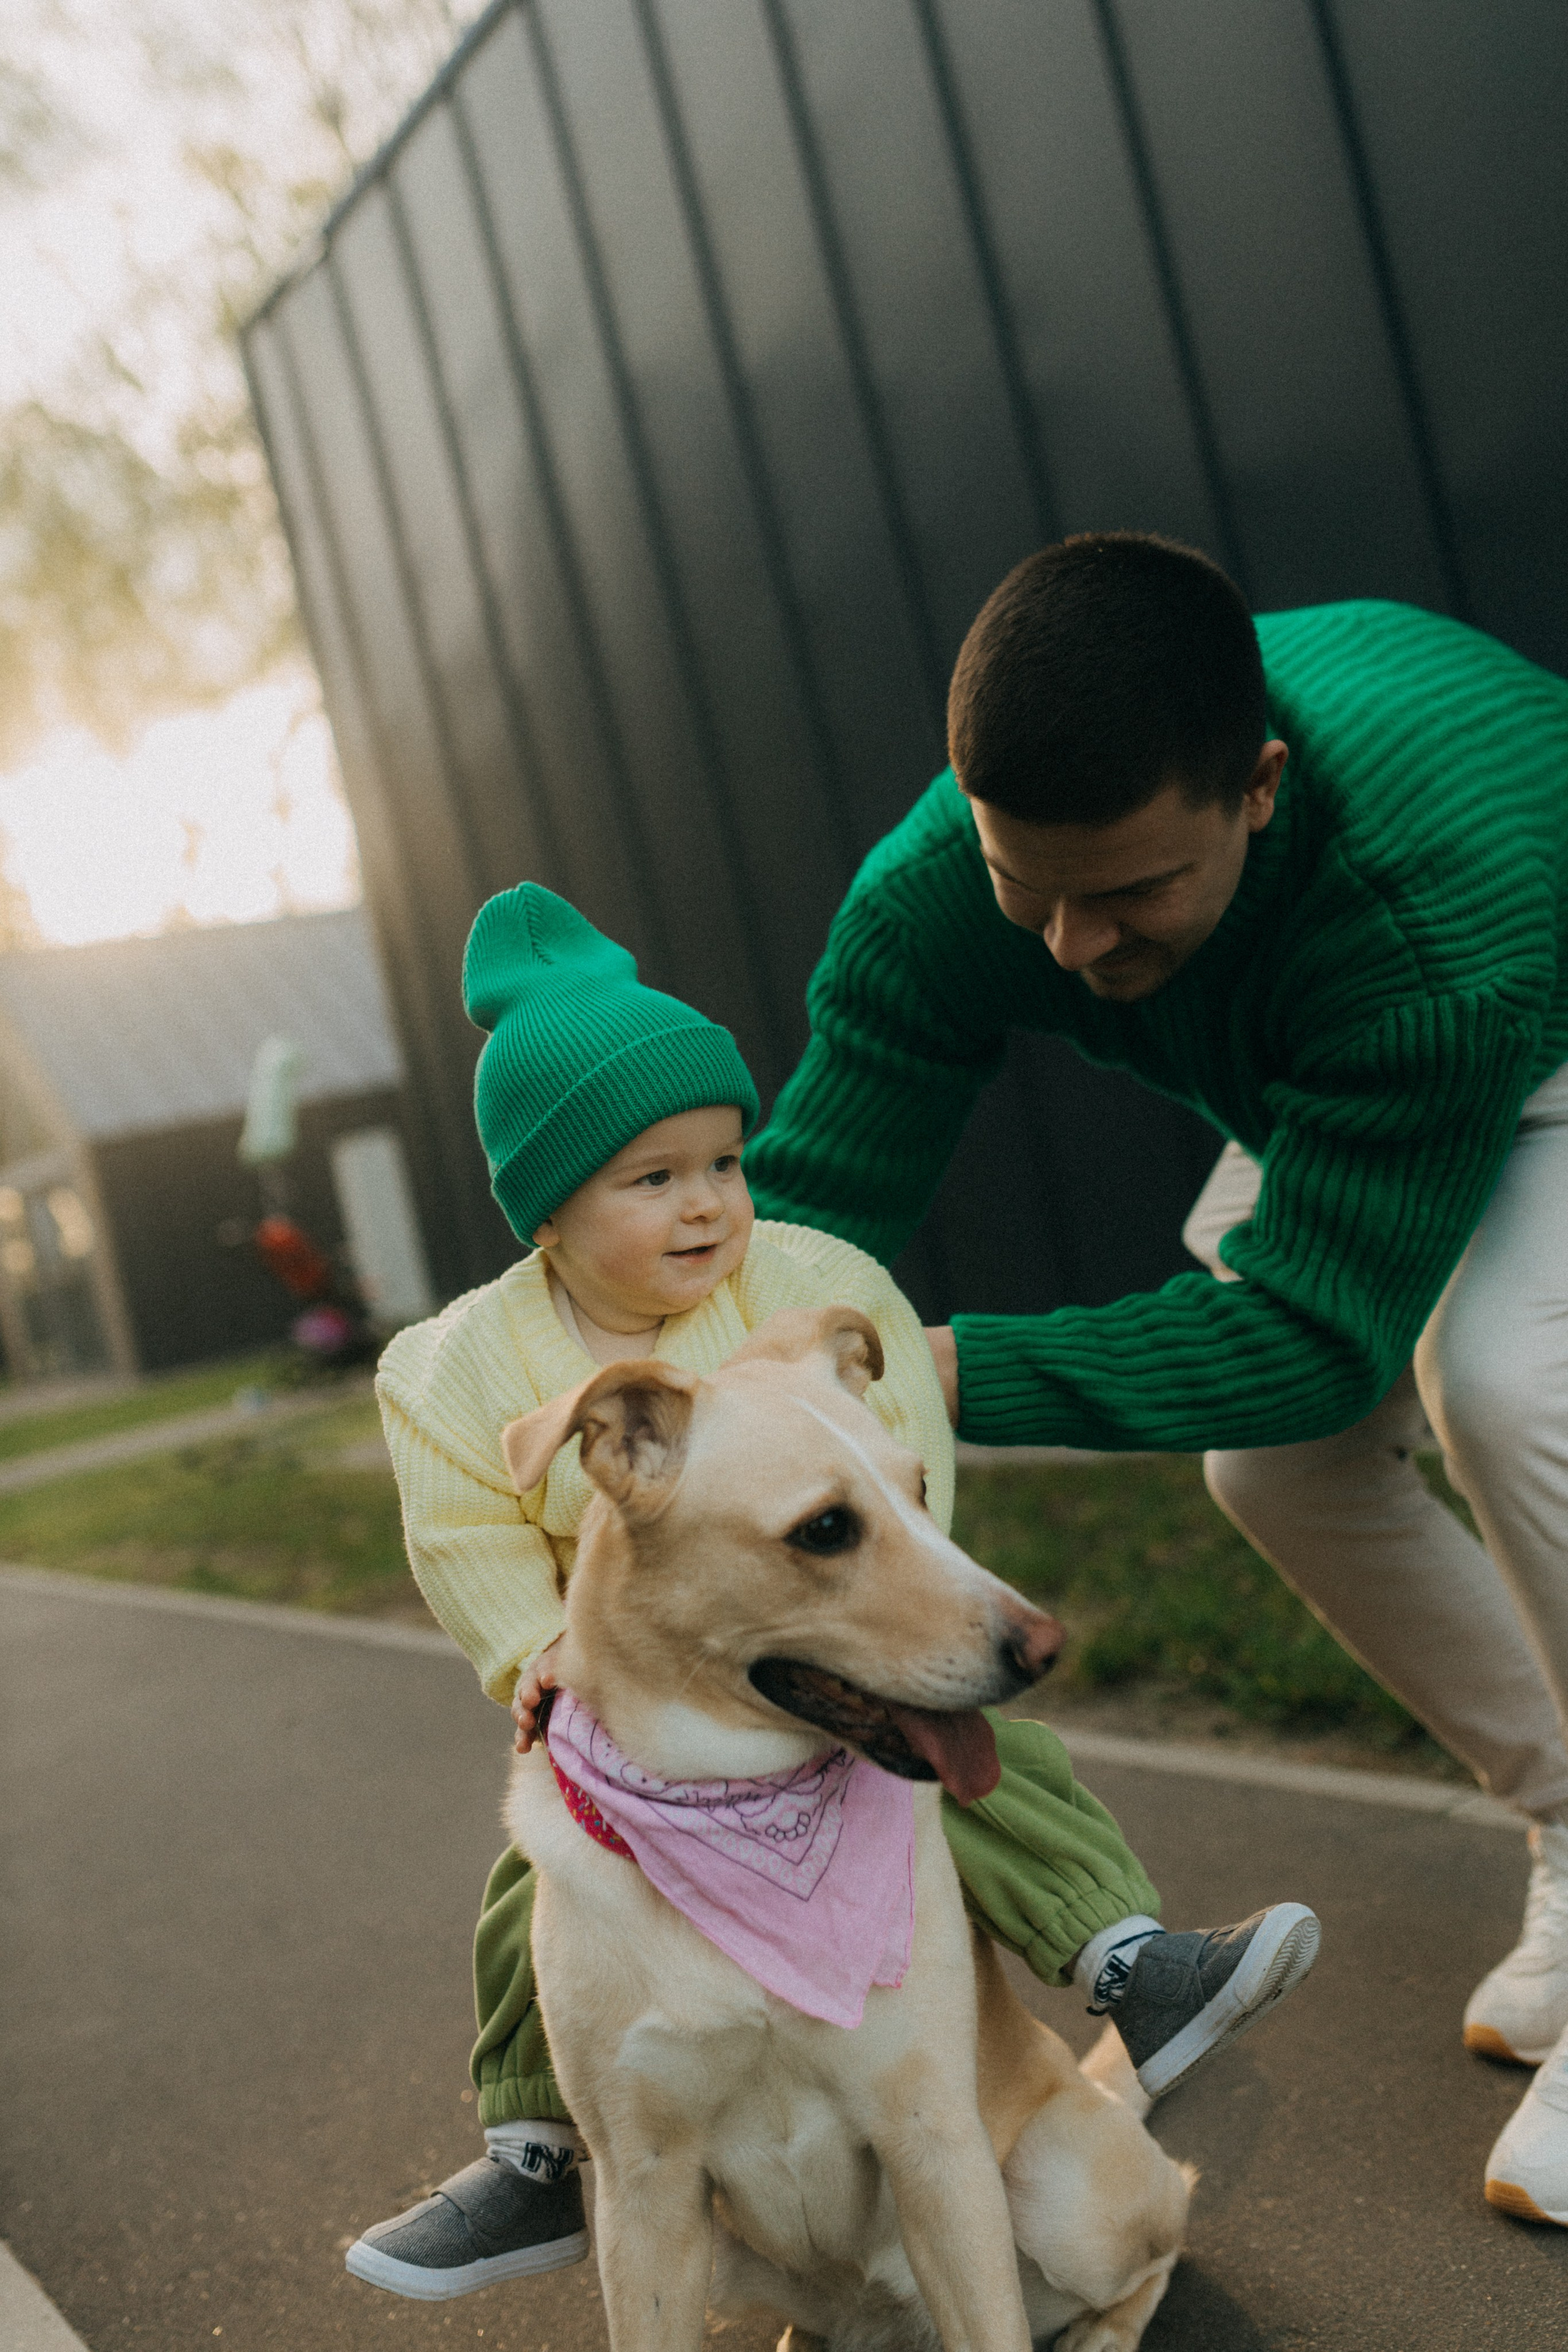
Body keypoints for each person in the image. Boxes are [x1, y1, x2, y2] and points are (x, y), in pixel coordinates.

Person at [741, 530, 1568, 2224]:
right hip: (1341, 1068)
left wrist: (937, 1372)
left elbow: (1308, 1333)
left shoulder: (1421, 913)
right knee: (1279, 1468)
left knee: (1497, 1381)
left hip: (1523, 1008)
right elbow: (805, 1231)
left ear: (1255, 791)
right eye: (1024, 884)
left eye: (1130, 895)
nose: (1070, 943)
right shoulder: (960, 884)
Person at [343, 880, 1317, 2302]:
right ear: (545, 1208)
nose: (708, 1204)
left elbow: (898, 1467)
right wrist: (533, 1650)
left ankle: (1123, 1955)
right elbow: (460, 1532)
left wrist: (909, 1602)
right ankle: (541, 2145)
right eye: (653, 1177)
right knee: (531, 1878)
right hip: (631, 1706)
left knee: (987, 1772)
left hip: (820, 1679)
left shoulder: (802, 1286)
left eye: (725, 1163)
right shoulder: (460, 1368)